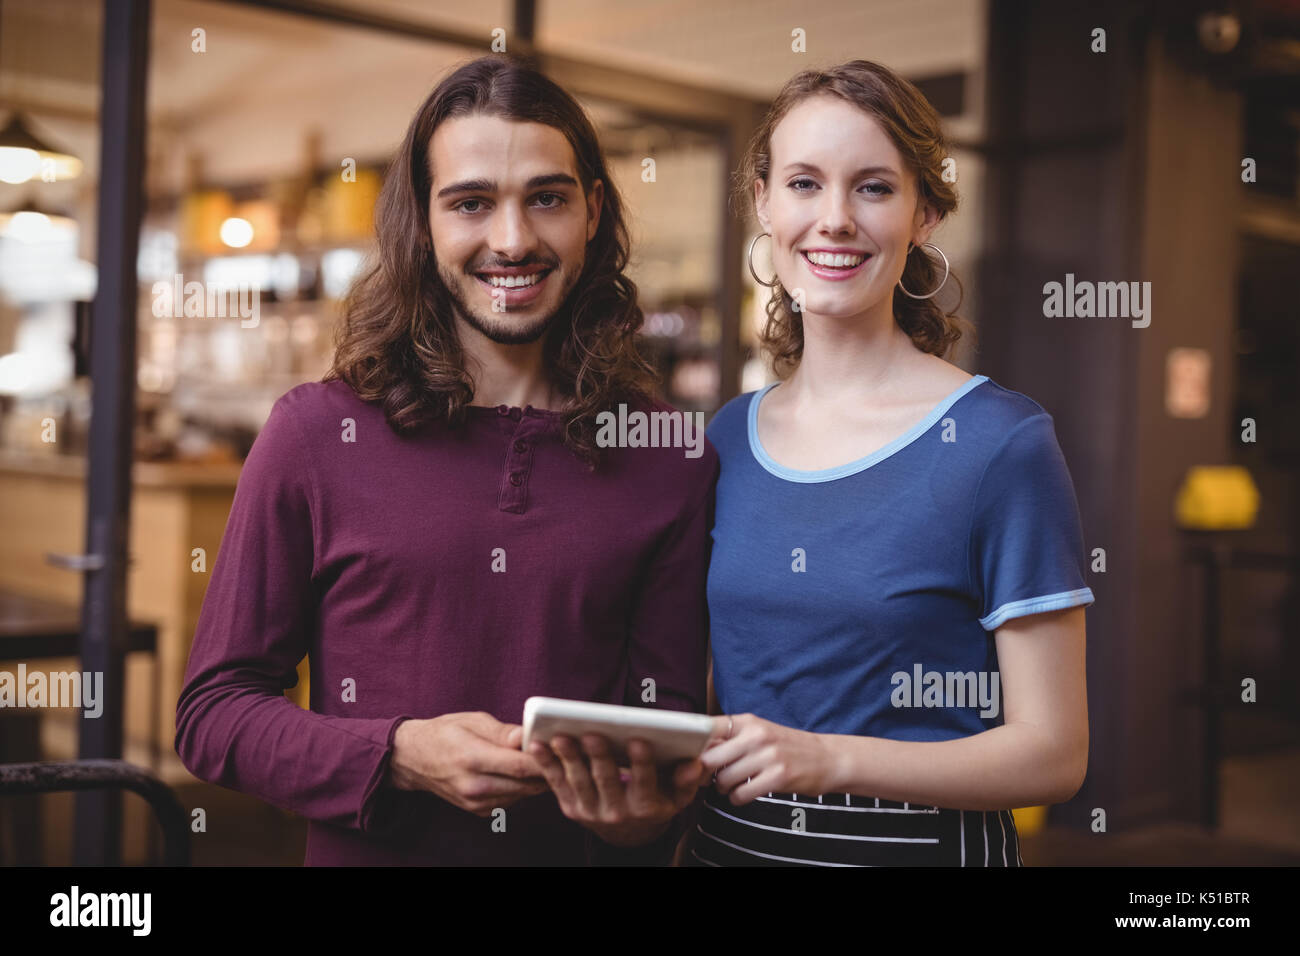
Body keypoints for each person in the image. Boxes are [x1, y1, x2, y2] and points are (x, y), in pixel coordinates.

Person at [175, 55, 717, 866]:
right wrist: (393, 754)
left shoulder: (670, 455)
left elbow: (666, 727)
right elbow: (213, 714)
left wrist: (640, 815)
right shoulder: (316, 436)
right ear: (423, 225)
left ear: (593, 211)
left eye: (547, 198)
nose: (513, 239)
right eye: (471, 203)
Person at [689, 60, 1094, 867]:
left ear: (926, 213)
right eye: (804, 184)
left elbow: (1055, 754)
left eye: (873, 187)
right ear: (764, 202)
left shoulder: (999, 443)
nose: (834, 218)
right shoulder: (726, 439)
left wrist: (830, 759)